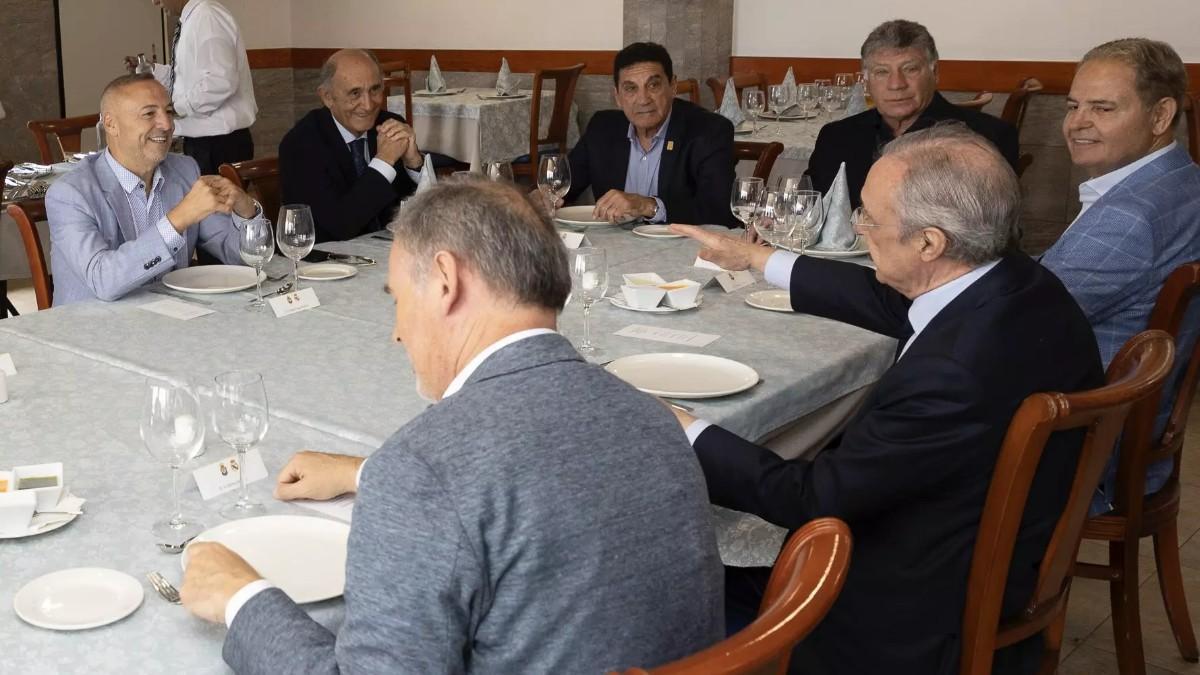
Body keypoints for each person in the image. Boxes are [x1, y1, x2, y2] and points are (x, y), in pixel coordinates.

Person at [179, 179, 724, 673]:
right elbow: (540, 474)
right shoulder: (652, 415)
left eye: (397, 300)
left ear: (445, 280)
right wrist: (367, 473)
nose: (396, 333)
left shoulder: (422, 470)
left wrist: (242, 598)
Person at [670, 124, 1103, 674]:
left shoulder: (950, 375)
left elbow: (811, 498)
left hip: (907, 605)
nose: (858, 226)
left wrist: (682, 427)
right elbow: (891, 303)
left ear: (929, 242)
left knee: (683, 563)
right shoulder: (1017, 284)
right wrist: (760, 260)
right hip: (993, 540)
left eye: (869, 218)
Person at [1040, 38, 1200, 513]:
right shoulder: (1183, 180)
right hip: (1135, 431)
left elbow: (1017, 319)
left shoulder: (1132, 214)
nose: (1077, 123)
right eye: (1073, 106)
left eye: (1102, 108)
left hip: (1088, 444)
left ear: (1160, 115)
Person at [46, 74, 264, 305]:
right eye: (149, 114)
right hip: (96, 332)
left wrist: (247, 213)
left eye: (169, 112)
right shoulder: (69, 194)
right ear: (111, 124)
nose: (167, 124)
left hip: (174, 322)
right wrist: (178, 219)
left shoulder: (185, 170)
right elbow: (103, 281)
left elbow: (242, 259)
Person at [805, 19, 1019, 208]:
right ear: (867, 81)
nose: (896, 84)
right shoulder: (836, 137)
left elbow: (995, 232)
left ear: (934, 73)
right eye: (882, 72)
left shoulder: (988, 137)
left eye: (910, 69)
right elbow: (808, 206)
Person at [564, 42, 737, 227]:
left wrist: (647, 206)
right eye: (631, 88)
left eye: (653, 85)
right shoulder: (603, 128)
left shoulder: (709, 132)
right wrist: (541, 198)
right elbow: (564, 187)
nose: (643, 99)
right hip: (613, 249)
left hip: (682, 251)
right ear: (617, 97)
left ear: (673, 86)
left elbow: (718, 212)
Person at [279, 49, 422, 243]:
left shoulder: (388, 125)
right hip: (326, 263)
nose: (368, 105)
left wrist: (414, 163)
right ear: (327, 97)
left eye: (375, 90)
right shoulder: (302, 144)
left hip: (385, 253)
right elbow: (341, 225)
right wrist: (384, 161)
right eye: (355, 93)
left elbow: (427, 213)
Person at [138, 0, 258, 175]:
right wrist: (153, 70)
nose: (155, 1)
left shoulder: (207, 16)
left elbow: (219, 81)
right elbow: (190, 77)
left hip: (218, 145)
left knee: (216, 203)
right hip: (204, 143)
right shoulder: (194, 18)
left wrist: (175, 109)